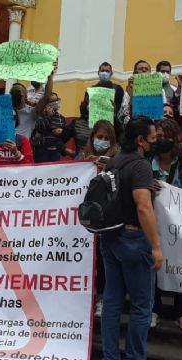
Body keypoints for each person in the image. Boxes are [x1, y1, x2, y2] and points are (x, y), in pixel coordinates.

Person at [100, 116, 163, 360]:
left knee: (113, 302)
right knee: (141, 305)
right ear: (140, 141)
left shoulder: (115, 161)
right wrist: (156, 246)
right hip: (133, 238)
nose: (156, 141)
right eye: (152, 138)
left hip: (110, 237)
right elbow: (143, 206)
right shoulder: (140, 165)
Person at [149, 118, 182, 331]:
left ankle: (181, 312)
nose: (160, 141)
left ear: (174, 137)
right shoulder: (146, 160)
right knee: (154, 266)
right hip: (154, 223)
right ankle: (155, 308)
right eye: (157, 137)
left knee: (181, 266)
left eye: (163, 137)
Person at [76, 120, 120, 317]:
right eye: (99, 137)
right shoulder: (82, 155)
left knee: (102, 262)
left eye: (106, 139)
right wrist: (83, 164)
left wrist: (107, 166)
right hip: (83, 218)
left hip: (104, 217)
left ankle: (101, 297)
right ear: (92, 136)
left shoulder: (117, 159)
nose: (101, 141)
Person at [10, 65, 55, 140]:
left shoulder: (31, 112)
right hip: (3, 149)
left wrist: (50, 76)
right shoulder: (4, 111)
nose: (15, 93)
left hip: (21, 149)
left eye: (18, 92)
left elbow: (46, 97)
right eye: (12, 92)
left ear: (25, 97)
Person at [33, 92, 67, 163]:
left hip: (56, 151)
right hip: (42, 151)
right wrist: (49, 116)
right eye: (53, 101)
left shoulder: (61, 118)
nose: (56, 103)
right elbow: (40, 128)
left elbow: (65, 135)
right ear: (47, 103)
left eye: (57, 100)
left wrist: (62, 132)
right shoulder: (40, 115)